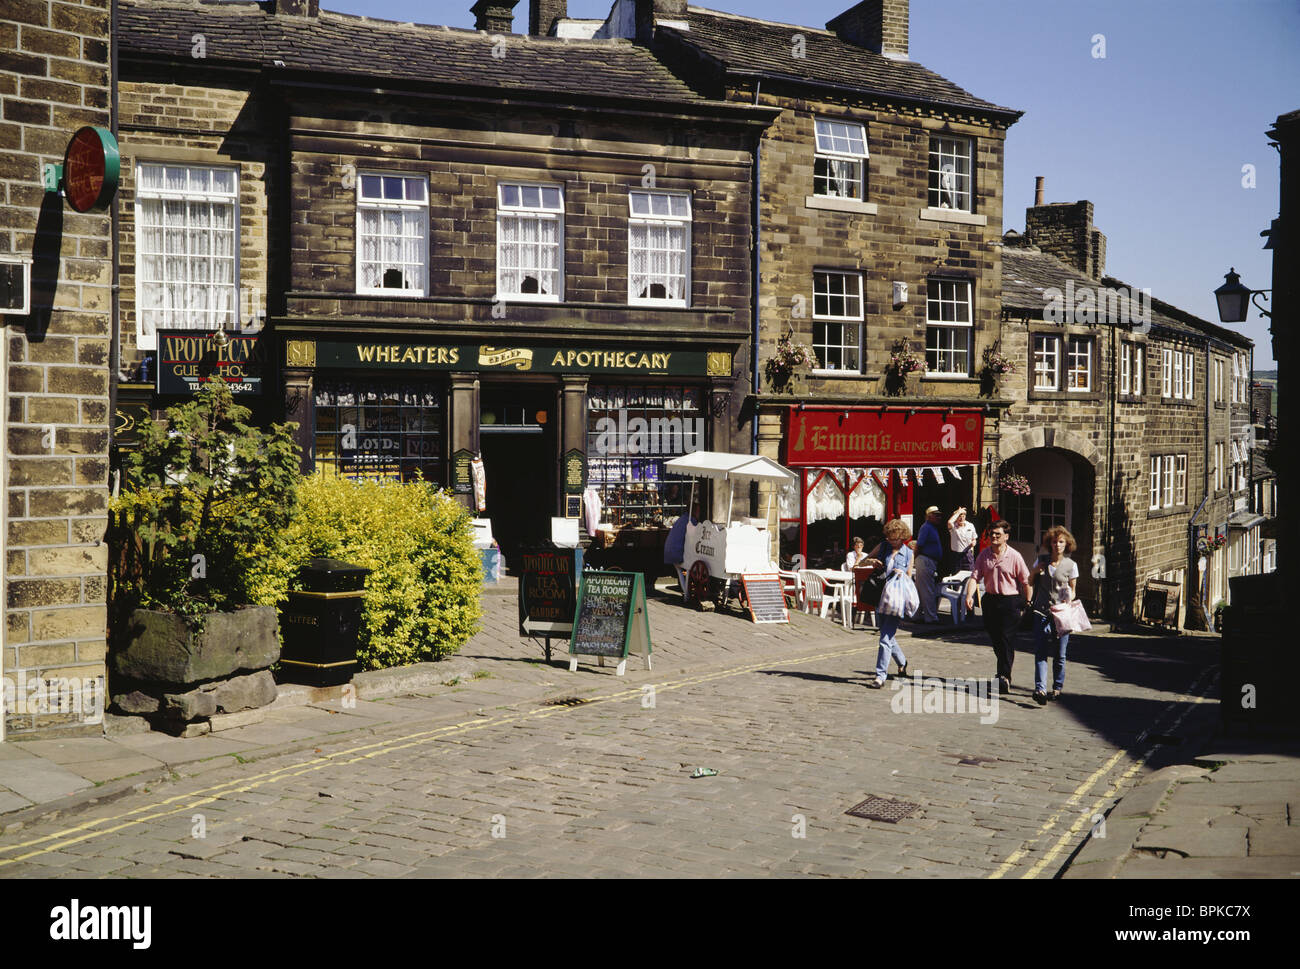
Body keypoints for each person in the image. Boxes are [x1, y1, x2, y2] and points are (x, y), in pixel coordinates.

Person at [964, 520, 1031, 694]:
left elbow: (1026, 581)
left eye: (998, 534)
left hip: (1010, 602)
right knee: (996, 640)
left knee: (1006, 639)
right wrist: (969, 595)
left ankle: (1004, 677)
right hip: (991, 601)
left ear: (1006, 537)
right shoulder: (984, 555)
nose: (993, 537)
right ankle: (1002, 672)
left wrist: (1028, 602)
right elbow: (974, 577)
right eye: (992, 534)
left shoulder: (1015, 556)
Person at [1028, 525, 1079, 705]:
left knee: (1060, 654)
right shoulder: (1041, 560)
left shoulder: (1071, 565)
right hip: (1041, 611)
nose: (1057, 545)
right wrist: (1035, 571)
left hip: (1061, 614)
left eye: (1061, 542)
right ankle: (1040, 689)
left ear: (1067, 544)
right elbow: (1030, 581)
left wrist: (1068, 598)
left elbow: (1073, 590)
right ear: (1049, 543)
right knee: (1040, 652)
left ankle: (1057, 687)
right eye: (1054, 542)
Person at [865, 519, 915, 689]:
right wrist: (872, 562)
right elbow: (863, 561)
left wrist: (902, 574)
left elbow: (909, 578)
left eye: (895, 538)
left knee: (885, 639)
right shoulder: (883, 546)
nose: (891, 541)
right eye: (889, 538)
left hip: (896, 599)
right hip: (880, 596)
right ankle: (902, 662)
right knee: (887, 635)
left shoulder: (908, 553)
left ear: (902, 537)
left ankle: (880, 676)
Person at [913, 506, 943, 623]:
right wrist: (914, 560)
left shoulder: (932, 527)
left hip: (928, 560)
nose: (939, 517)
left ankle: (916, 615)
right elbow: (919, 545)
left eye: (939, 515)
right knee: (927, 589)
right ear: (929, 516)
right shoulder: (926, 527)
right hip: (925, 560)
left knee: (921, 589)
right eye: (936, 515)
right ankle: (931, 617)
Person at [948, 506, 978, 574]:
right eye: (959, 516)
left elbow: (974, 539)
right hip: (956, 555)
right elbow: (949, 522)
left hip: (968, 554)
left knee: (969, 575)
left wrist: (974, 542)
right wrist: (958, 512)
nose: (961, 518)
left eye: (963, 515)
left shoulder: (970, 525)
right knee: (956, 576)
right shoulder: (953, 526)